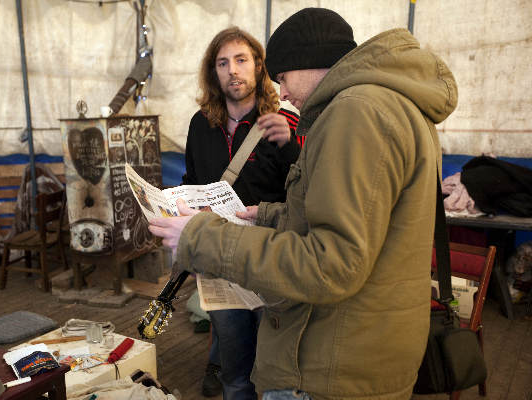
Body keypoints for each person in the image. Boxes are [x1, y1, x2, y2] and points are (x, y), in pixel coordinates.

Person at [150, 7, 458, 400]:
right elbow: (358, 216)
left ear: (307, 61)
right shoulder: (393, 103)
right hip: (363, 346)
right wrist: (268, 213)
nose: (284, 93)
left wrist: (202, 239)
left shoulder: (355, 112)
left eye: (282, 77)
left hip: (331, 363)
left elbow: (330, 263)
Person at [183, 27, 302, 399]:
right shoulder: (199, 125)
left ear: (258, 66)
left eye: (241, 60)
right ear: (213, 72)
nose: (233, 70)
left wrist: (288, 146)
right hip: (220, 263)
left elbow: (307, 194)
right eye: (223, 63)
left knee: (276, 371)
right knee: (234, 374)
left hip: (271, 260)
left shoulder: (286, 121)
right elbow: (192, 180)